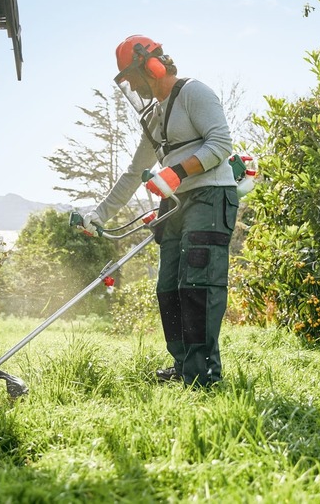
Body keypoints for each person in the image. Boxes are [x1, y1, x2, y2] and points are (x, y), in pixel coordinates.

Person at [82, 35, 238, 387]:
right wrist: (99, 215)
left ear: (150, 65)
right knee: (168, 287)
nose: (133, 85)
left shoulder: (194, 93)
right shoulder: (153, 116)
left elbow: (221, 144)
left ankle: (204, 377)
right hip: (175, 203)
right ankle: (184, 367)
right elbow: (134, 173)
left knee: (197, 285)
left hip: (211, 196)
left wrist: (177, 171)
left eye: (132, 77)